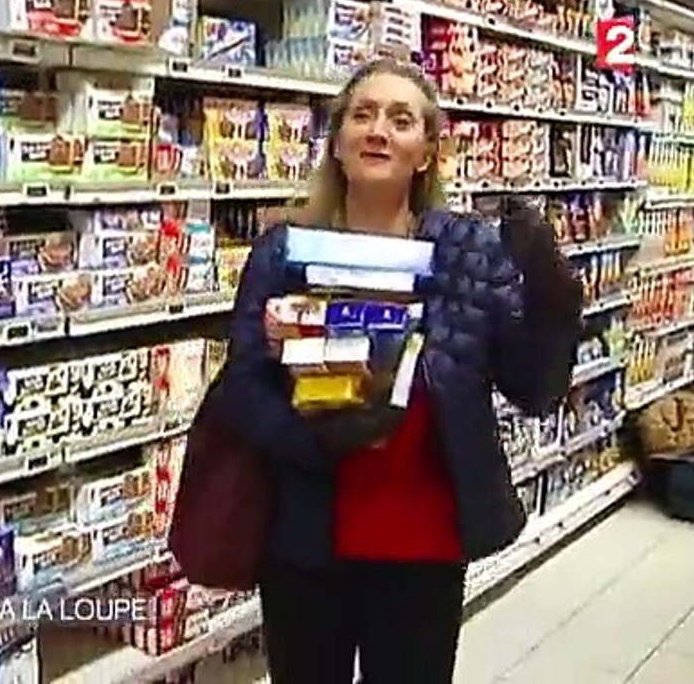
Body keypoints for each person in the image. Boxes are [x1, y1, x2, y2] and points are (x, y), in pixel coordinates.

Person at [224, 58, 583, 683]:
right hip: (309, 540)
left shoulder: (468, 252)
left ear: (425, 151)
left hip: (424, 544)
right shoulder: (285, 250)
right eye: (362, 115)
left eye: (401, 119)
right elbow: (241, 389)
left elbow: (535, 390)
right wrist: (319, 439)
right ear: (336, 143)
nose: (378, 131)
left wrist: (552, 302)